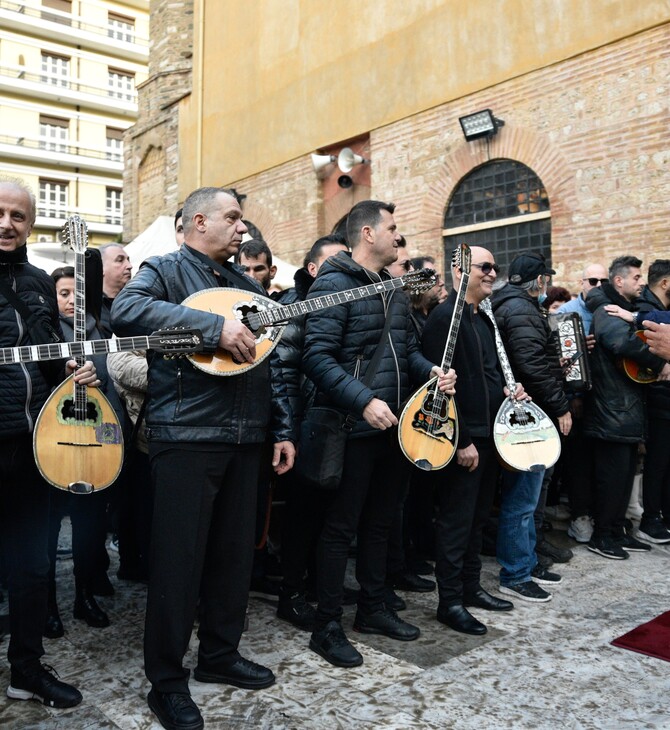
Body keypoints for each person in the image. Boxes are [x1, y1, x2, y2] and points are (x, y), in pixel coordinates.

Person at [111, 187, 295, 730]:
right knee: (178, 563)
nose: (243, 228)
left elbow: (271, 361)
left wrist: (281, 428)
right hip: (186, 437)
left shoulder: (244, 283)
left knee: (234, 558)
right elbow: (126, 311)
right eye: (233, 218)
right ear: (198, 221)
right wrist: (215, 328)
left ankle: (219, 655)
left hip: (246, 439)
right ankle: (166, 683)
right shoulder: (164, 270)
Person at [302, 200, 456, 668]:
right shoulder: (333, 283)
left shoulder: (393, 287)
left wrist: (431, 371)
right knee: (340, 527)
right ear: (367, 234)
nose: (399, 237)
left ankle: (372, 608)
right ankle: (327, 626)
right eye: (393, 228)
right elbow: (317, 357)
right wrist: (362, 400)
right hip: (352, 424)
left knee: (380, 523)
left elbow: (403, 352)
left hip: (393, 426)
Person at [0, 178, 98, 710]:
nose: (6, 224)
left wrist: (71, 364)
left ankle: (27, 670)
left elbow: (45, 349)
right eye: (0, 213)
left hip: (31, 442)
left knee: (34, 566)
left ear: (30, 225)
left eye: (18, 216)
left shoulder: (38, 280)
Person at [422, 247, 526, 634]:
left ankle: (469, 588)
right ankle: (448, 601)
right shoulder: (444, 318)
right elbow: (437, 389)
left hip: (489, 435)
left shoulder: (484, 319)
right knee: (455, 522)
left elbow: (486, 375)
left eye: (495, 267)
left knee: (478, 520)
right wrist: (461, 438)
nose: (492, 273)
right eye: (485, 267)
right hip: (462, 439)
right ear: (459, 270)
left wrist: (511, 391)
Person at [273, 234, 350, 629]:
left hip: (335, 424)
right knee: (301, 516)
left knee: (327, 513)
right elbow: (284, 374)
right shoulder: (293, 308)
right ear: (314, 269)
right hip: (306, 426)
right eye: (337, 263)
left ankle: (322, 586)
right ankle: (292, 593)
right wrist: (290, 430)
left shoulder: (348, 303)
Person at [45, 263, 124, 636]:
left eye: (77, 294)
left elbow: (114, 383)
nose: (71, 301)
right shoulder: (43, 333)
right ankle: (46, 602)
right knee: (46, 525)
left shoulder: (103, 331)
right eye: (63, 294)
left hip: (95, 443)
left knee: (89, 525)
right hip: (54, 443)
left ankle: (83, 592)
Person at [491, 252, 572, 602]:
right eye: (546, 279)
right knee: (524, 496)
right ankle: (517, 572)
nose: (548, 285)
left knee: (530, 495)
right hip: (527, 415)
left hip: (524, 410)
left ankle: (527, 561)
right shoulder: (521, 309)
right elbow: (531, 365)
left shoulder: (509, 306)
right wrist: (560, 405)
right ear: (538, 281)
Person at [583, 256, 670, 560]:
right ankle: (602, 536)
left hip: (626, 410)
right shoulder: (607, 312)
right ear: (618, 281)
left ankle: (618, 530)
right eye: (635, 277)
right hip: (612, 411)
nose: (641, 282)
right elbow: (622, 344)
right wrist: (660, 360)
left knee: (623, 478)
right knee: (612, 480)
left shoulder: (626, 311)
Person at [98, 243, 132, 338]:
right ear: (101, 268)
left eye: (128, 260)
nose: (129, 266)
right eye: (120, 260)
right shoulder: (91, 308)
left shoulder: (136, 302)